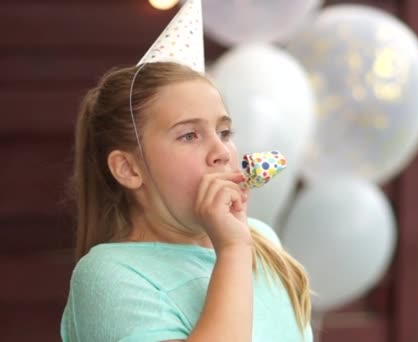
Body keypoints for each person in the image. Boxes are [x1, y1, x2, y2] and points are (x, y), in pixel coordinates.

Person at [59, 59, 313, 341]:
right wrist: (232, 250)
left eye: (224, 132)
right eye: (189, 135)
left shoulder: (262, 239)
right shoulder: (108, 275)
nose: (222, 152)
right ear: (129, 168)